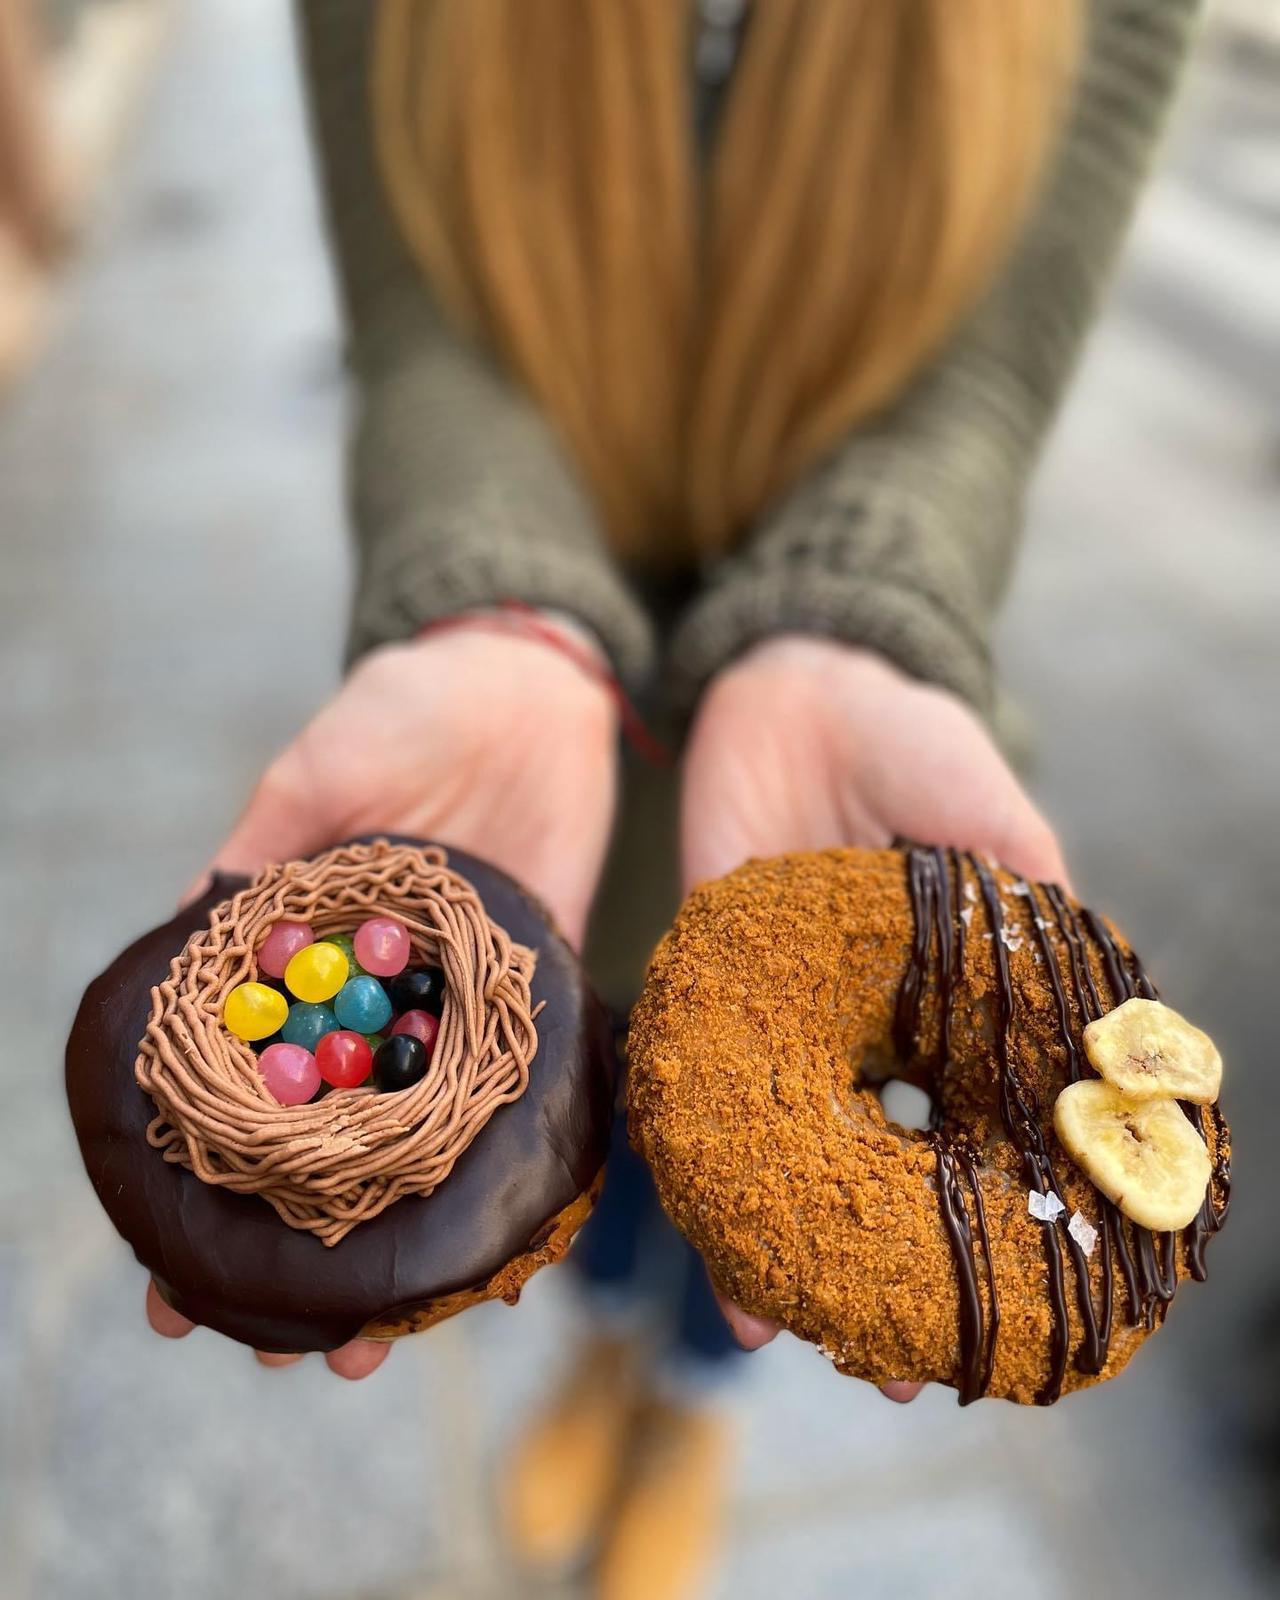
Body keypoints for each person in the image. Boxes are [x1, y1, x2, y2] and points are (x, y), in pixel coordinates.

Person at [145, 2, 1203, 1594]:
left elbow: (986, 369)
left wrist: (852, 606)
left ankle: (692, 1409)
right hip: (516, 796)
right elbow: (418, 314)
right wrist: (494, 604)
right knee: (583, 1194)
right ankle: (603, 1358)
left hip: (839, 791)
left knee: (753, 1262)